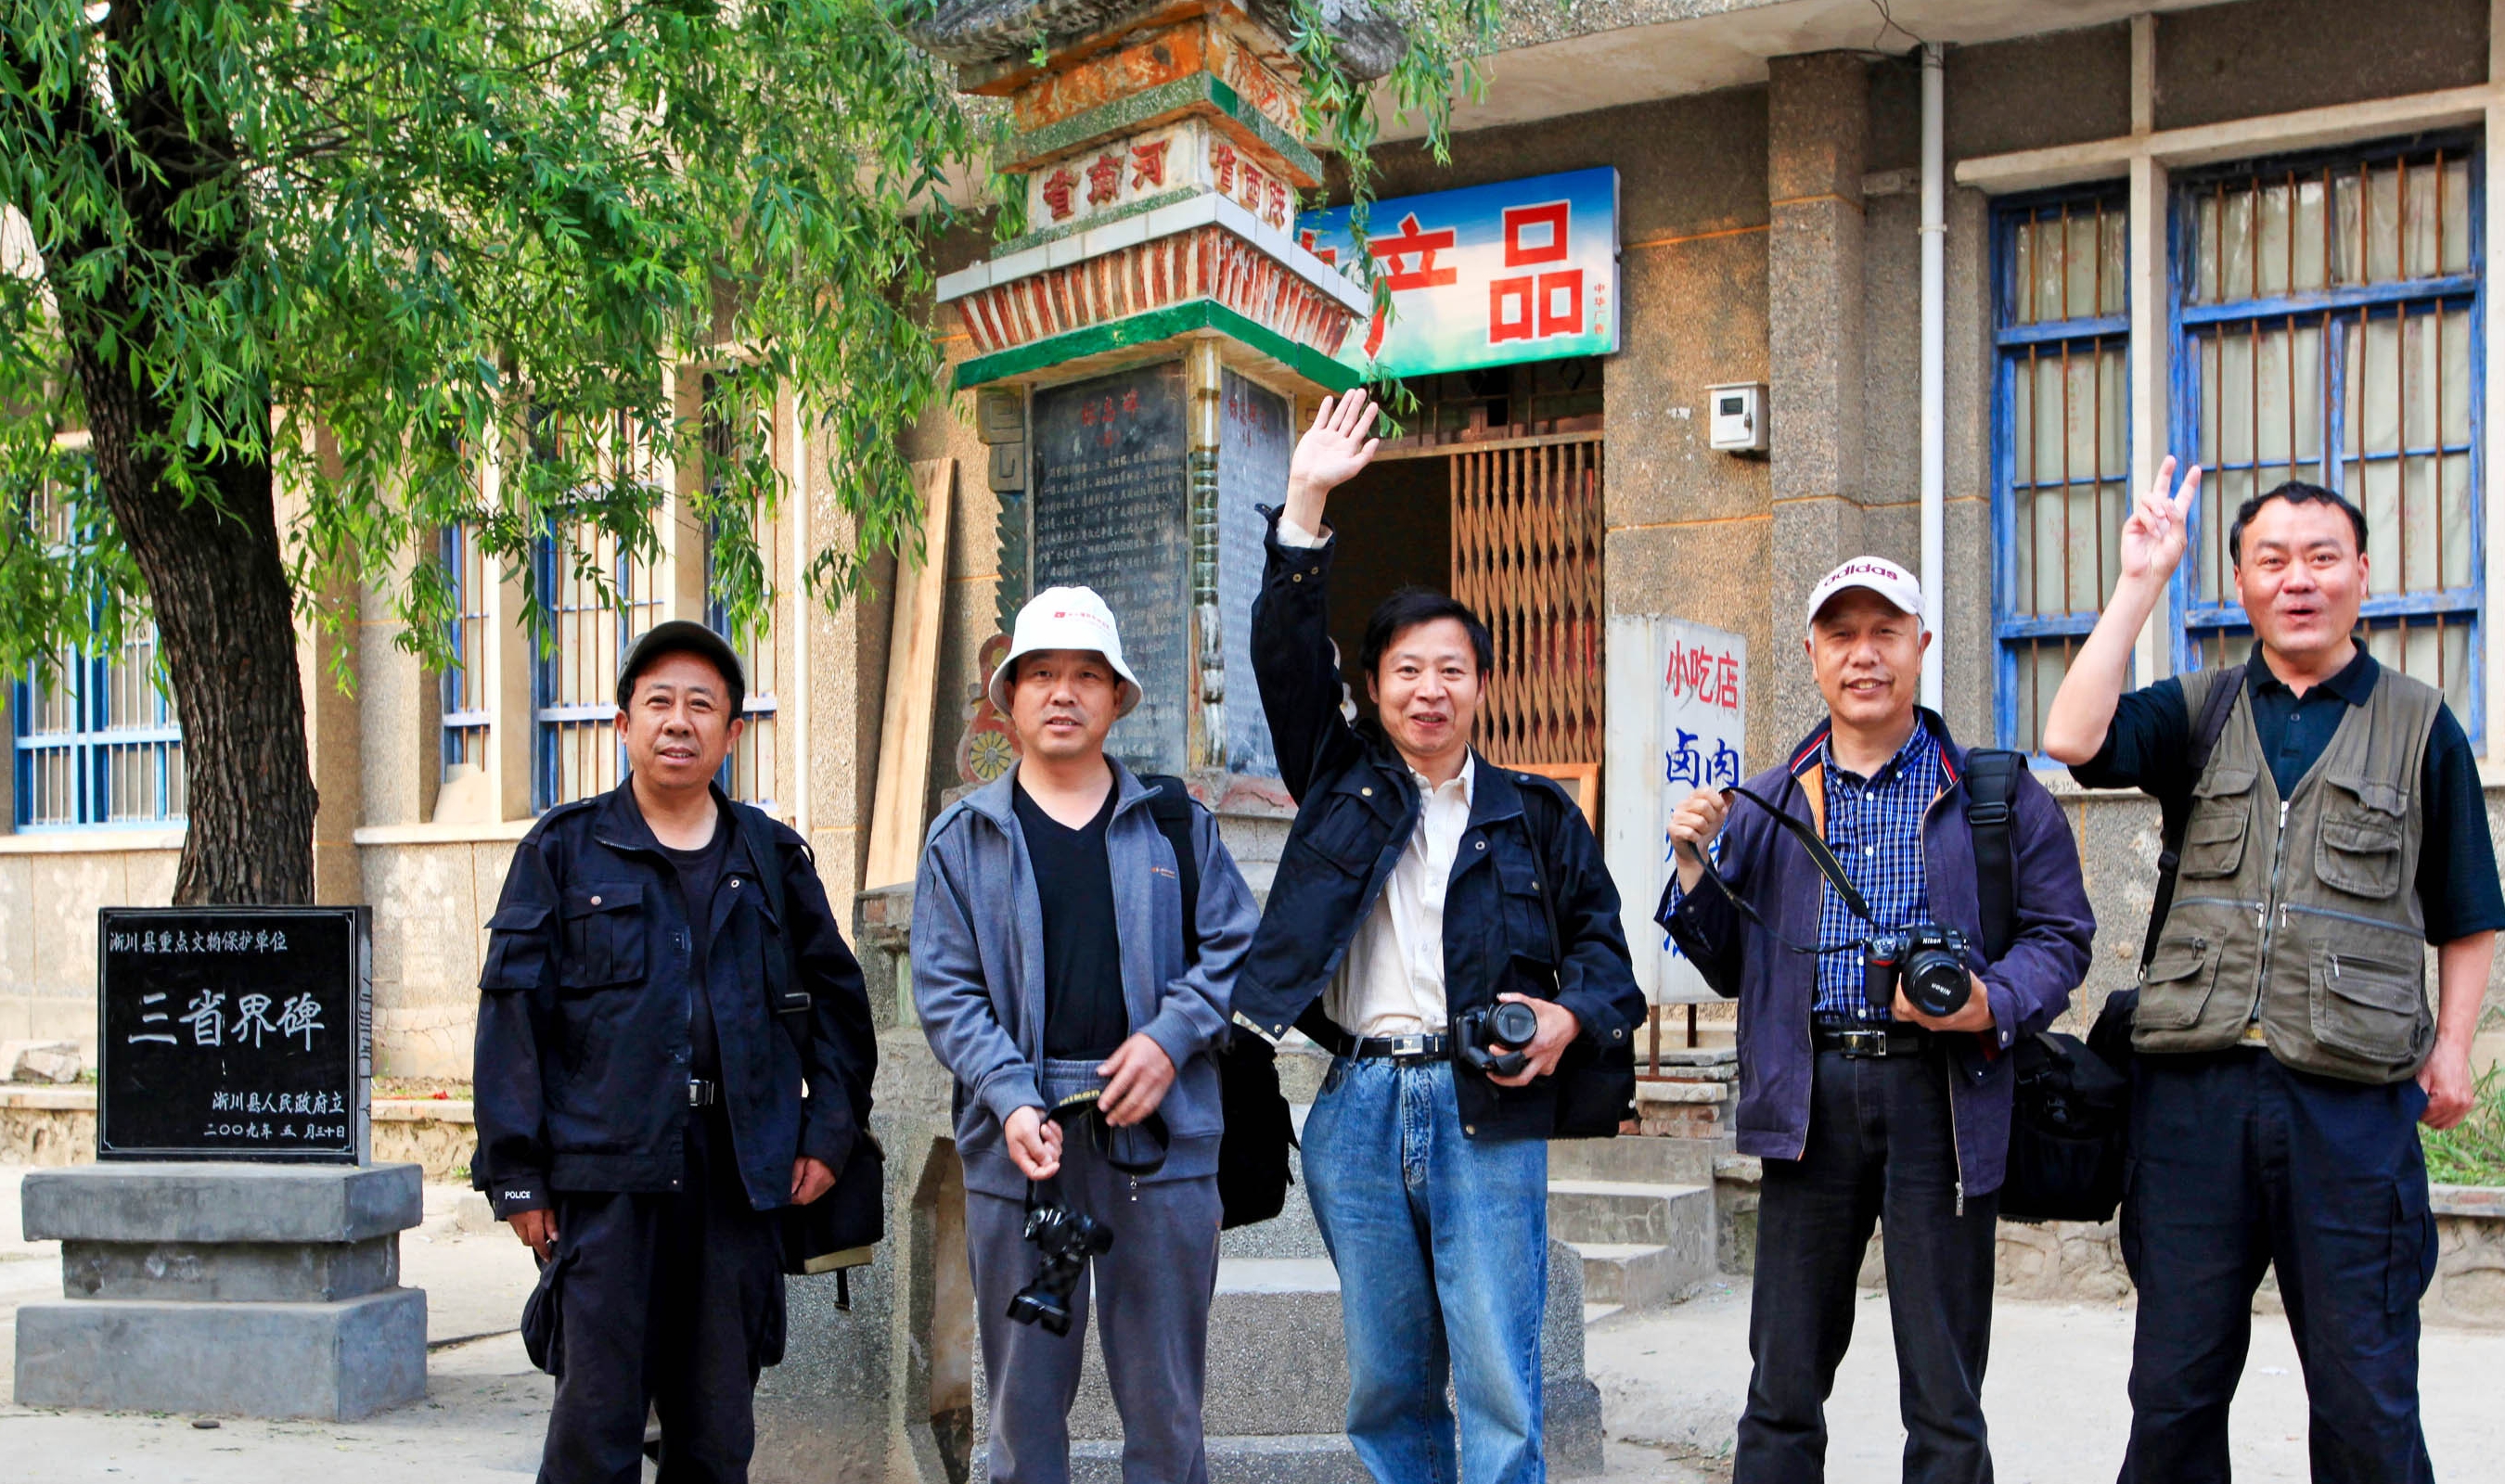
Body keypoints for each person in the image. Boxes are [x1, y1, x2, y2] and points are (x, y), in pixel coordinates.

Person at [2041, 463, 2502, 1484]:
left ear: (2363, 574)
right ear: (2242, 584)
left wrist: (2457, 1047)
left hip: (2350, 1110)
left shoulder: (2423, 725)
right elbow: (2071, 736)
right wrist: (2139, 584)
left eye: (2322, 557)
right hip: (2195, 1102)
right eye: (2272, 560)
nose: (2299, 579)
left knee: (2366, 1394)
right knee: (2173, 1391)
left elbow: (2470, 911)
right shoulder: (2197, 708)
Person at [1230, 390, 1645, 1484]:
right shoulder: (1337, 781)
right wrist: (1308, 500)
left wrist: (1568, 1014)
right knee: (1386, 1377)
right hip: (1358, 1106)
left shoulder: (1538, 814)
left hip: (1488, 1106)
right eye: (1406, 669)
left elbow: (1609, 961)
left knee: (1502, 1374)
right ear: (1372, 687)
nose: (1429, 689)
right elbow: (1281, 649)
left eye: (1450, 669)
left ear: (1480, 687)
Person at [1659, 556, 2095, 1484]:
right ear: (1814, 654)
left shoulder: (1996, 792)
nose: (1865, 655)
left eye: (1886, 632)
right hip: (1808, 1099)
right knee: (1780, 1385)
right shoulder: (1769, 801)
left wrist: (1991, 1001)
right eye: (1843, 635)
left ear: (1922, 648)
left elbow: (2062, 937)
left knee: (1944, 1392)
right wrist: (1695, 866)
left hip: (1942, 1093)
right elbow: (1735, 965)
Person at [471, 619, 878, 1484]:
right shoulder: (562, 850)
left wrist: (828, 1133)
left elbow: (841, 1006)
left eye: (703, 705)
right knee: (594, 1426)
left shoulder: (770, 857)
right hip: (604, 1183)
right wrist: (517, 1175)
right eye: (658, 702)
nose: (678, 721)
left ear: (733, 733)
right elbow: (512, 1020)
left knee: (717, 1430)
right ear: (623, 724)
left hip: (738, 1178)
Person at [911, 585, 1259, 1484]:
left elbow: (1232, 944)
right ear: (1011, 699)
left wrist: (1169, 1037)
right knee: (1023, 1409)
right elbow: (946, 989)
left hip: (1159, 1133)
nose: (1062, 693)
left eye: (1085, 676)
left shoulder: (1176, 825)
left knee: (1166, 1405)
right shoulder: (963, 840)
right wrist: (1009, 1091)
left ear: (1116, 697)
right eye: (1041, 676)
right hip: (1021, 1142)